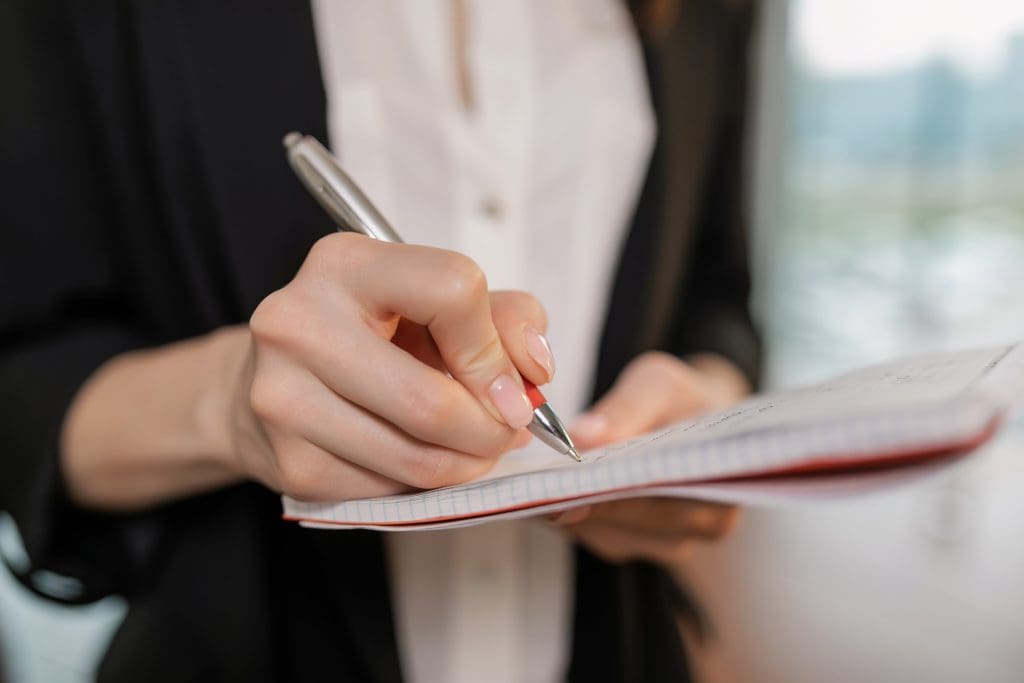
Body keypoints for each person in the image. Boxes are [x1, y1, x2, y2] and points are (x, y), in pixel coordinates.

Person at [0, 0, 761, 681]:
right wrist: (230, 401)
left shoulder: (707, 12)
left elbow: (719, 294)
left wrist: (706, 414)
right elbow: (23, 376)